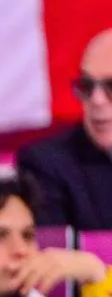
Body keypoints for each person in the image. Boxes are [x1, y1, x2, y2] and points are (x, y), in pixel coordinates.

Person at [17, 29, 112, 230]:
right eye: (87, 85)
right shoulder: (46, 163)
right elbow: (52, 246)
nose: (96, 100)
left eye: (111, 87)